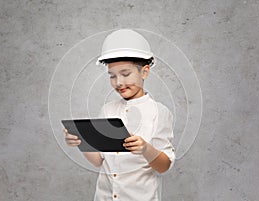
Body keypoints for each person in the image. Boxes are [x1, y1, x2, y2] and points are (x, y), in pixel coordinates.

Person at [63, 29, 175, 201]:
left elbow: (164, 166)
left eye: (125, 74)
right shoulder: (108, 110)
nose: (119, 83)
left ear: (144, 72)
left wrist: (145, 149)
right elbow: (99, 161)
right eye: (112, 76)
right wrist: (81, 141)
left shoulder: (159, 112)